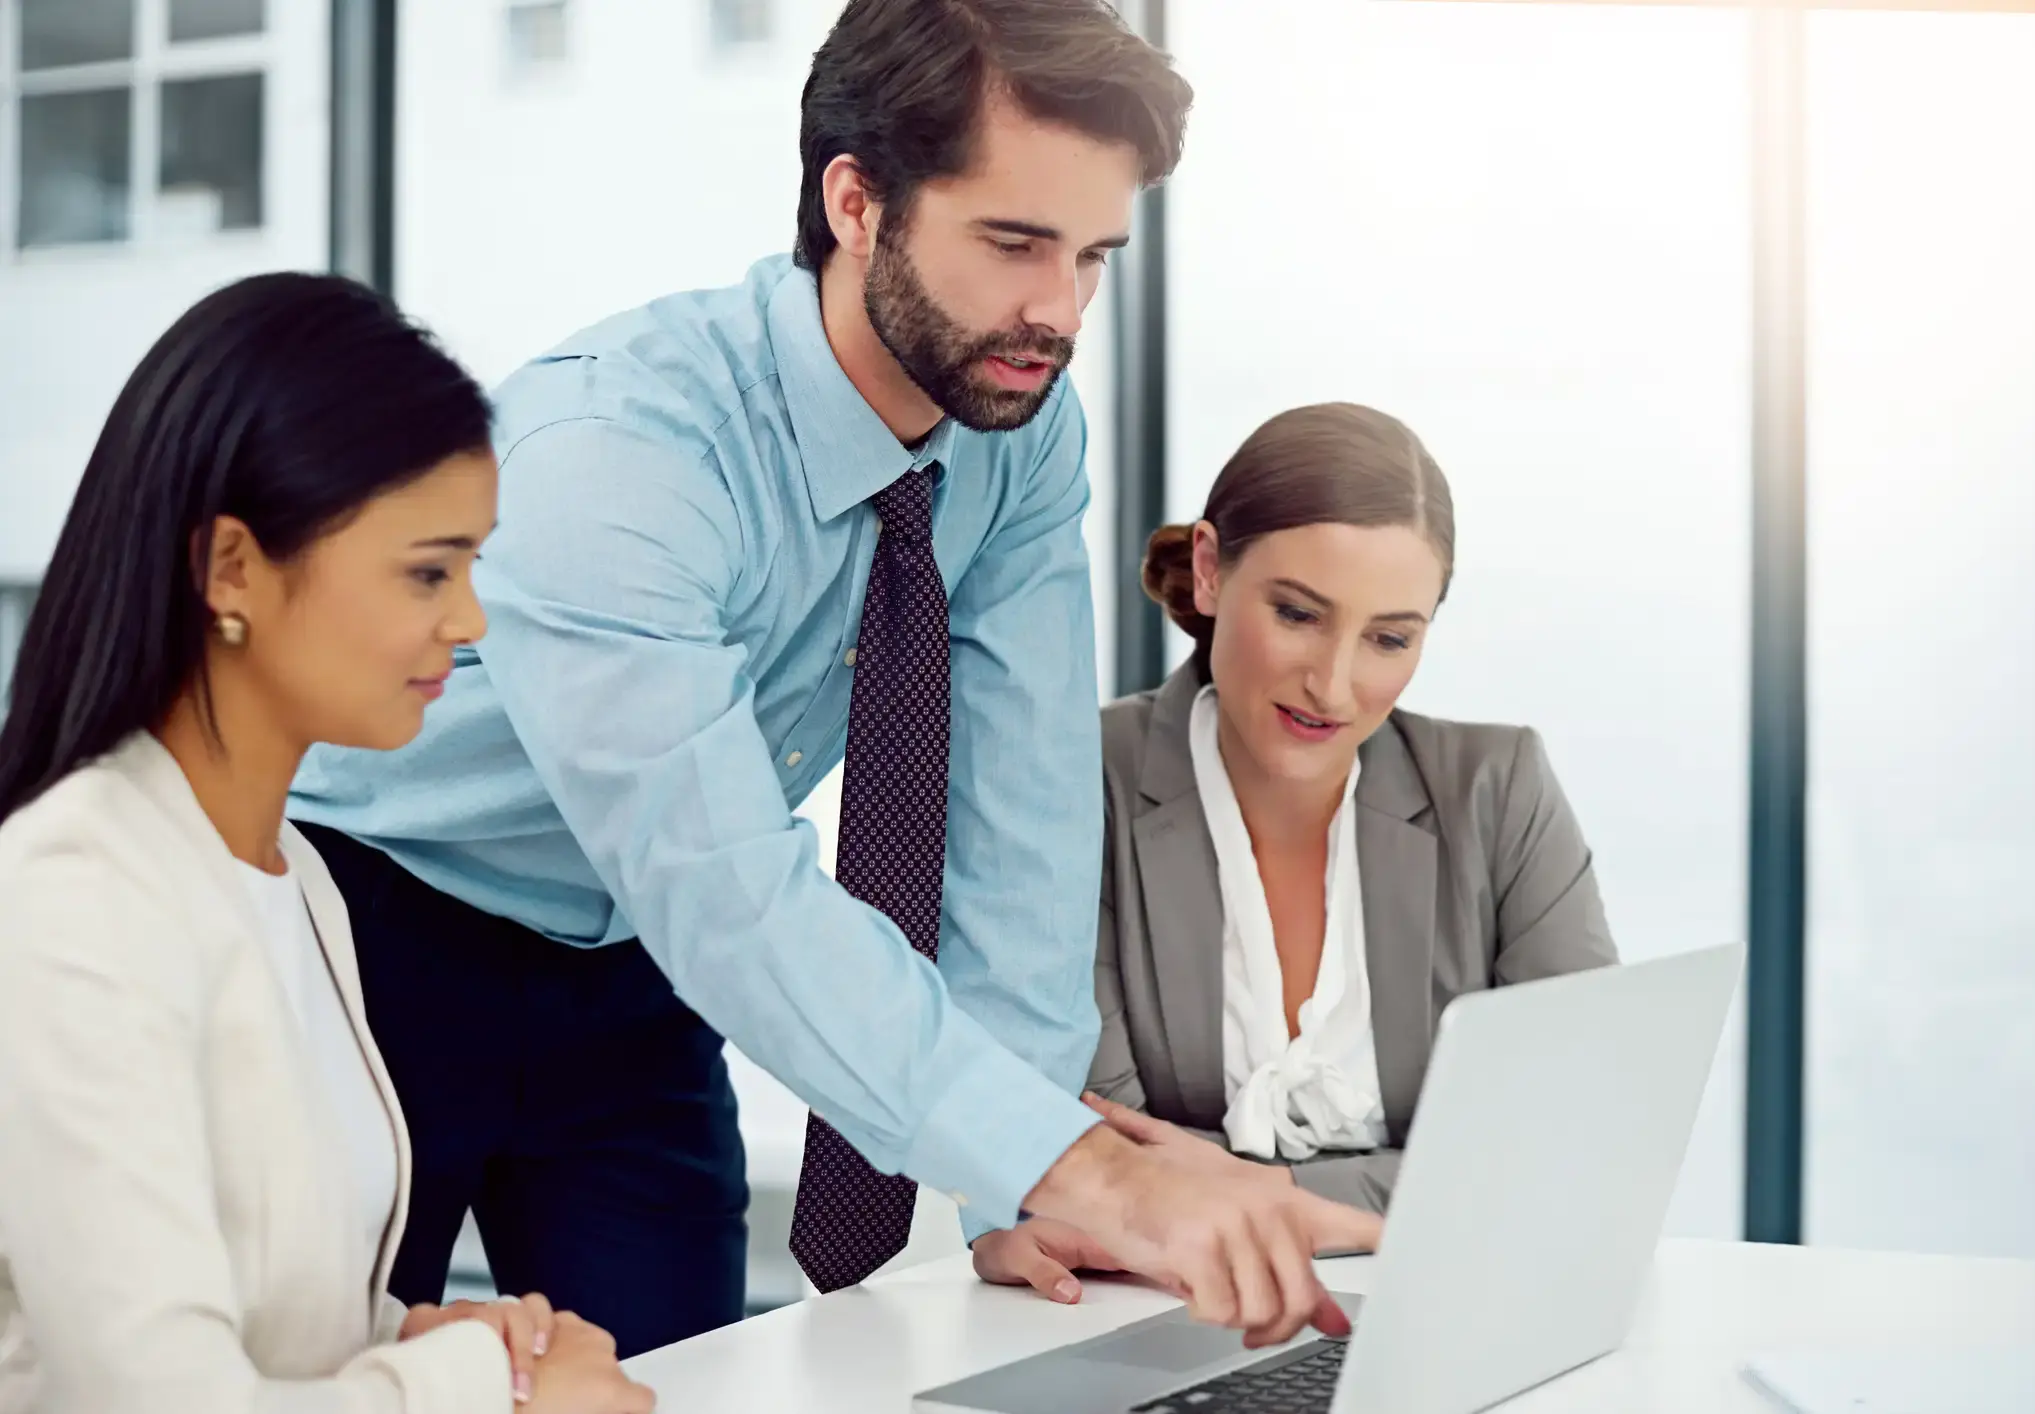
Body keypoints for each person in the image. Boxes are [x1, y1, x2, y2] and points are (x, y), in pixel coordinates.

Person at [288, 0, 1379, 1360]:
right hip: (371, 931)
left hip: (624, 953)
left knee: (680, 1378)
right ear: (855, 201)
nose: (1059, 312)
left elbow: (1021, 823)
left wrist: (1016, 1178)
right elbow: (728, 888)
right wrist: (1088, 1165)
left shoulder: (1015, 429)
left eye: (1092, 256)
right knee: (318, 1370)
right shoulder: (619, 452)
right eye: (1013, 243)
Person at [0, 273, 651, 1414]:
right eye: (425, 571)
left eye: (469, 568)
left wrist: (432, 1330)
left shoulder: (293, 876)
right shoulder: (74, 894)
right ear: (232, 568)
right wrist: (467, 1388)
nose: (468, 621)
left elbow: (270, 1298)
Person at [1082, 403, 1619, 1215]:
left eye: (1389, 640)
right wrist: (1408, 1198)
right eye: (1297, 614)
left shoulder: (1498, 793)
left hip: (1432, 1303)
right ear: (1209, 570)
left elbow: (1574, 1139)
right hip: (1144, 1305)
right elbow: (1097, 1158)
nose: (1333, 686)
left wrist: (1271, 1199)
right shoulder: (1085, 784)